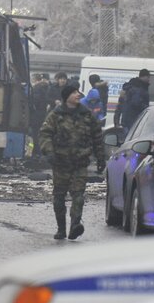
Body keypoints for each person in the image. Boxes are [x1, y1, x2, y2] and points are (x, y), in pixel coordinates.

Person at [39, 81, 105, 241]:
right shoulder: (56, 115)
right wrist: (49, 151)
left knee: (78, 195)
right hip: (60, 162)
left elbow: (97, 136)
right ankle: (61, 229)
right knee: (59, 197)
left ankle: (75, 224)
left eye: (78, 92)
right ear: (67, 97)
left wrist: (100, 157)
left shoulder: (86, 115)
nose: (78, 95)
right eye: (74, 92)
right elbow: (45, 134)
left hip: (79, 162)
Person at [29, 74, 50, 159]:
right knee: (38, 133)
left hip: (36, 114)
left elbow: (35, 102)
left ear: (34, 79)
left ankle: (36, 151)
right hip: (42, 113)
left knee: (35, 133)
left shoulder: (36, 88)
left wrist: (31, 107)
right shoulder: (43, 87)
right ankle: (39, 151)